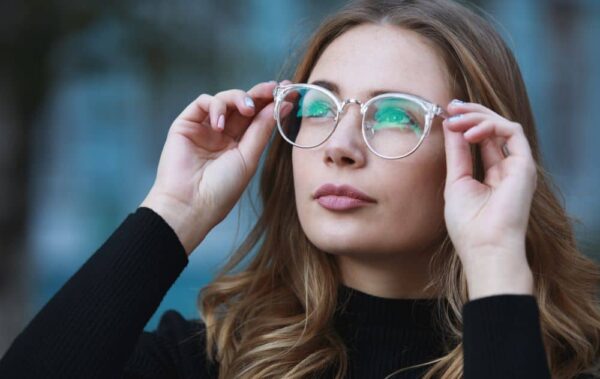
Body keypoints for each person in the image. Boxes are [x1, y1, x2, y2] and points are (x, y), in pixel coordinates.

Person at [1, 0, 599, 378]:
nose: (340, 144)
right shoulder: (213, 359)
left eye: (393, 115)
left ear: (483, 153)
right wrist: (172, 212)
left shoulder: (574, 360)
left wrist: (496, 262)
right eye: (319, 106)